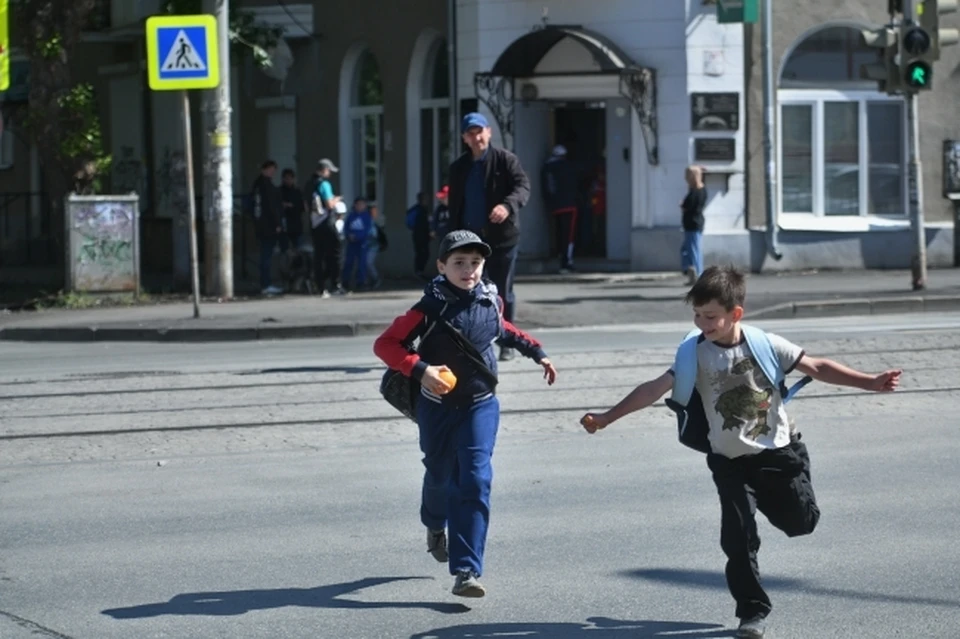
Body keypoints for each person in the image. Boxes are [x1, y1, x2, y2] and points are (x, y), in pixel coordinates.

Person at [579, 265, 902, 639]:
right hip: (729, 461)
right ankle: (752, 613)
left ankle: (785, 493)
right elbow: (653, 388)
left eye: (711, 316)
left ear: (735, 314)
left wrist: (869, 382)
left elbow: (818, 366)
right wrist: (606, 417)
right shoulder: (693, 354)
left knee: (801, 524)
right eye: (697, 315)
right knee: (737, 537)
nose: (703, 323)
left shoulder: (765, 344)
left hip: (778, 455)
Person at [373, 229, 558, 598]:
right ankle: (433, 523)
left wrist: (537, 351)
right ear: (441, 266)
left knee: (474, 480)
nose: (468, 270)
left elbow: (502, 330)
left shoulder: (490, 299)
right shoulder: (428, 308)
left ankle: (466, 571)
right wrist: (420, 368)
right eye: (459, 262)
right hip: (438, 408)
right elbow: (385, 344)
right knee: (440, 474)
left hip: (480, 404)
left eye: (475, 262)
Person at [448, 112, 531, 361]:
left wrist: (507, 206)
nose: (476, 138)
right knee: (468, 290)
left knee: (501, 290)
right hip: (469, 242)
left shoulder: (505, 160)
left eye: (479, 132)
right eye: (470, 134)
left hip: (501, 239)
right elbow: (455, 206)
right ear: (464, 138)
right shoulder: (459, 168)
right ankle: (473, 342)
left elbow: (523, 187)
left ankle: (507, 342)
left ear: (488, 132)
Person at [310, 159, 345, 298]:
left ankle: (320, 286)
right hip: (326, 223)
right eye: (329, 170)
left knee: (319, 255)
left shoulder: (309, 184)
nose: (329, 173)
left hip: (314, 224)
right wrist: (337, 199)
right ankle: (336, 284)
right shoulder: (324, 184)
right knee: (335, 254)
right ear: (324, 170)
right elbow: (329, 204)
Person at [541, 145, 579, 273]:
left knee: (558, 232)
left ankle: (559, 255)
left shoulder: (547, 167)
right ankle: (566, 261)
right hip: (569, 204)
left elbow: (547, 187)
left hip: (555, 206)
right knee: (568, 235)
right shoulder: (569, 167)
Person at [251, 160, 284, 296]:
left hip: (261, 225)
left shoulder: (258, 185)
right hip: (268, 226)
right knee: (266, 255)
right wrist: (277, 223)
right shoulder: (265, 186)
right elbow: (270, 207)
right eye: (271, 169)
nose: (272, 172)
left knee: (266, 255)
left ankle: (266, 283)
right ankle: (266, 284)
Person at [681, 165, 707, 285]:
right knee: (687, 249)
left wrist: (683, 205)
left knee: (693, 250)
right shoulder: (700, 190)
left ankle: (698, 274)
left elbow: (687, 206)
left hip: (693, 223)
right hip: (695, 223)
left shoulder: (695, 192)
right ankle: (690, 270)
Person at [342, 197, 372, 291]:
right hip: (351, 243)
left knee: (361, 263)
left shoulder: (366, 217)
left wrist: (358, 236)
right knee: (349, 262)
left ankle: (361, 282)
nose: (360, 206)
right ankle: (345, 281)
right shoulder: (351, 216)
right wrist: (348, 235)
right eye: (358, 204)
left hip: (362, 243)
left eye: (362, 204)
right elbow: (346, 228)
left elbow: (367, 230)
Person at [407, 192, 433, 280]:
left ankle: (419, 271)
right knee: (422, 253)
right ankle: (418, 272)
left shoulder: (418, 209)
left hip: (420, 234)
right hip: (420, 235)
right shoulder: (420, 210)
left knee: (422, 253)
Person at [279, 168, 305, 253]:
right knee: (285, 250)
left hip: (296, 225)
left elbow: (302, 207)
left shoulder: (297, 191)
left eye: (290, 178)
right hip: (284, 224)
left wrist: (291, 206)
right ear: (283, 179)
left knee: (298, 249)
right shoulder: (279, 191)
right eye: (286, 178)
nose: (288, 180)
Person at [366, 202, 384, 289]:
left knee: (369, 263)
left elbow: (377, 234)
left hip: (373, 245)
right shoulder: (366, 221)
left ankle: (375, 279)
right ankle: (370, 280)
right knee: (367, 263)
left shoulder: (376, 222)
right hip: (366, 245)